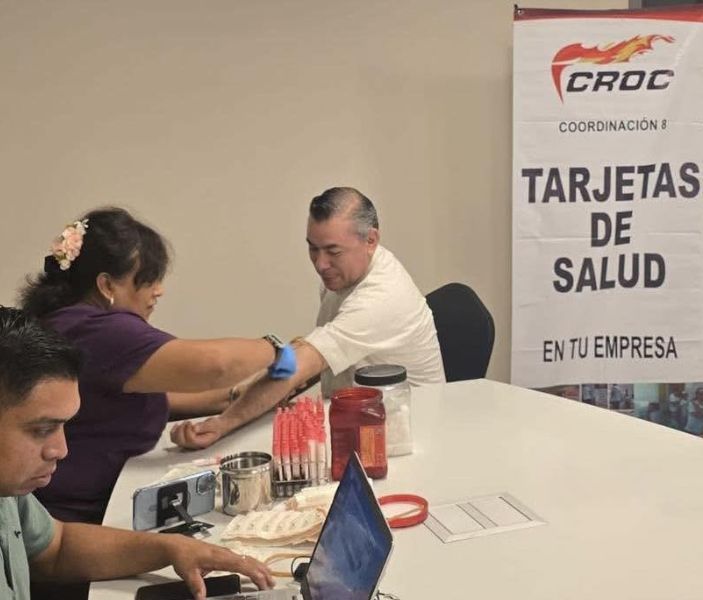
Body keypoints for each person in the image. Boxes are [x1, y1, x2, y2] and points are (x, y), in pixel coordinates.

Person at [18, 207, 296, 525]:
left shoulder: (66, 321)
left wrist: (230, 400)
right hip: (81, 517)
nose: (158, 290)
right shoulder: (98, 331)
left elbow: (130, 396)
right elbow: (213, 365)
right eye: (148, 280)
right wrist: (277, 349)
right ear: (107, 286)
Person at [0, 307, 274, 600]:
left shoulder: (9, 492)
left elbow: (57, 547)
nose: (61, 449)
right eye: (42, 429)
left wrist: (172, 548)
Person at [171, 187, 445, 450]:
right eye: (313, 248)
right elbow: (311, 358)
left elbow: (304, 363)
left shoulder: (380, 297)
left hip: (404, 434)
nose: (320, 264)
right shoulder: (343, 275)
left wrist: (223, 424)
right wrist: (240, 398)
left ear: (370, 240)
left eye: (333, 251)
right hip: (361, 420)